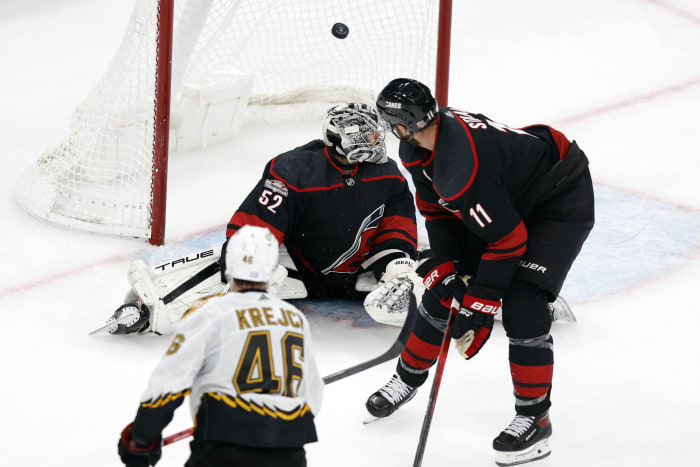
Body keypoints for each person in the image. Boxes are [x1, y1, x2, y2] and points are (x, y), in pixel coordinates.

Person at [365, 78, 595, 466]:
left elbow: (508, 241)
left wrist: (480, 306)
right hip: (508, 194)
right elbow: (436, 211)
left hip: (558, 197)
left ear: (404, 124)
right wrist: (447, 266)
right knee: (443, 288)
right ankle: (407, 378)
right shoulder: (418, 146)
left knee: (523, 306)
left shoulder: (459, 169)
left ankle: (535, 420)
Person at [103, 103, 420, 336]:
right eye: (369, 138)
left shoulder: (389, 175)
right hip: (298, 268)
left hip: (356, 277)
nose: (377, 144)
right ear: (341, 140)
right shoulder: (294, 169)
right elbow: (255, 227)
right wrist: (246, 264)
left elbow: (396, 231)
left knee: (435, 270)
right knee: (237, 256)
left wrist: (398, 273)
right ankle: (147, 307)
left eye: (377, 136)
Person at [117, 225, 324, 467]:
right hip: (289, 453)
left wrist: (142, 437)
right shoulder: (295, 320)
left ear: (229, 263)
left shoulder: (209, 312)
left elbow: (169, 383)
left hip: (224, 449)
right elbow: (313, 395)